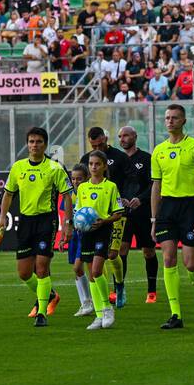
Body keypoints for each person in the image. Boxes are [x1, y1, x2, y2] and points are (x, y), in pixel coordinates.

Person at [0, 126, 69, 327]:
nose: (34, 145)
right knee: (24, 273)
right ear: (27, 144)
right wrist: (2, 217)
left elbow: (67, 195)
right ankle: (51, 295)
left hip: (47, 221)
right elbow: (9, 194)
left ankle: (41, 312)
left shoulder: (54, 168)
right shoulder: (18, 167)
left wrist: (67, 224)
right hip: (25, 222)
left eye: (38, 142)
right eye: (31, 141)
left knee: (42, 267)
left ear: (45, 145)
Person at [151, 104, 194, 328]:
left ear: (184, 120)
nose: (170, 121)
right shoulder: (158, 151)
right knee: (168, 259)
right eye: (167, 118)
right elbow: (156, 186)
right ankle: (175, 314)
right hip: (167, 209)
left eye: (175, 118)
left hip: (190, 206)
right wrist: (153, 219)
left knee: (190, 264)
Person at [76, 150, 127, 331]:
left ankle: (107, 308)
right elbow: (78, 211)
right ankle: (98, 315)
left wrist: (104, 220)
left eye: (97, 164)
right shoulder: (82, 188)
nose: (93, 167)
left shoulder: (111, 186)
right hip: (87, 233)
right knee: (91, 275)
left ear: (105, 166)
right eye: (91, 164)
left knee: (97, 270)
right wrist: (77, 223)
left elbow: (118, 212)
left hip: (103, 230)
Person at [79, 126, 129, 306]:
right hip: (93, 218)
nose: (97, 149)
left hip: (115, 212)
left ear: (105, 139)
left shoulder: (120, 157)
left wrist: (128, 198)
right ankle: (106, 295)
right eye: (94, 146)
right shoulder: (86, 160)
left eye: (100, 145)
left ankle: (119, 285)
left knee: (113, 253)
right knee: (97, 262)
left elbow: (130, 180)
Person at [115, 125, 160, 304]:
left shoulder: (147, 158)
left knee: (148, 251)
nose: (122, 139)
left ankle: (151, 291)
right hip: (122, 213)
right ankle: (119, 289)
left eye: (126, 135)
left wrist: (141, 199)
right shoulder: (116, 160)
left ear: (135, 136)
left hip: (143, 212)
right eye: (120, 136)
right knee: (120, 251)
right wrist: (120, 200)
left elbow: (154, 184)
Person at [62, 163, 95, 318]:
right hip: (74, 235)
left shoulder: (89, 191)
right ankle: (85, 304)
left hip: (86, 235)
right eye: (73, 179)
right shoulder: (70, 195)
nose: (75, 182)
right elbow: (66, 216)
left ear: (87, 178)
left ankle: (91, 302)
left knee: (79, 268)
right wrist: (64, 235)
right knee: (77, 270)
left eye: (79, 179)